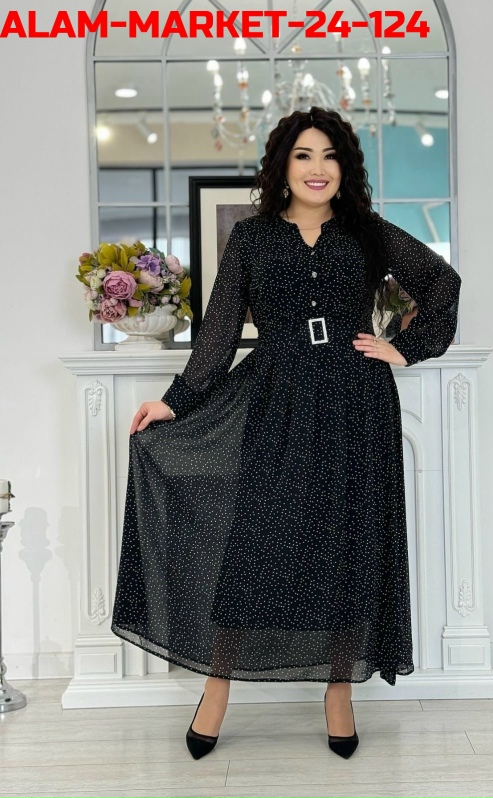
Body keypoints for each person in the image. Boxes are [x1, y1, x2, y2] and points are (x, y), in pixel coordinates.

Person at [110, 106, 462, 761]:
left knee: (347, 544)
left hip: (356, 401)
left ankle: (339, 691)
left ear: (344, 168)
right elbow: (218, 334)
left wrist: (404, 348)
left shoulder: (368, 234)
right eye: (304, 155)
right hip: (276, 398)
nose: (317, 168)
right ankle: (216, 688)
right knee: (256, 542)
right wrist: (173, 403)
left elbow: (442, 283)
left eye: (330, 155)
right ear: (283, 166)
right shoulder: (252, 238)